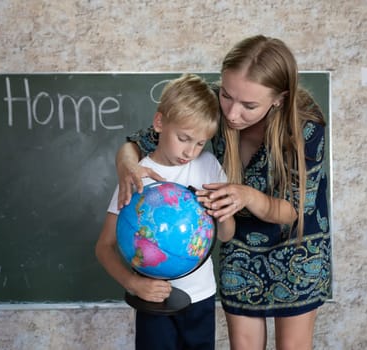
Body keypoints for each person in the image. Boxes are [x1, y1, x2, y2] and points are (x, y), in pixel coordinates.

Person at [115, 35, 331, 350]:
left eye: (249, 105)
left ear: (279, 99)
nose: (231, 113)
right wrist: (126, 166)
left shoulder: (306, 129)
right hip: (239, 246)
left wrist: (247, 196)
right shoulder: (212, 106)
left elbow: (292, 210)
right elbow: (139, 142)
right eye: (227, 95)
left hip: (297, 250)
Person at [95, 73, 235, 350]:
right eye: (184, 138)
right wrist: (134, 284)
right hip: (154, 298)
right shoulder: (137, 176)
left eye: (199, 142)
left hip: (202, 296)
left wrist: (222, 212)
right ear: (159, 123)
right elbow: (104, 247)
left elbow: (228, 235)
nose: (191, 151)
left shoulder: (208, 165)